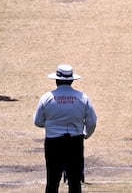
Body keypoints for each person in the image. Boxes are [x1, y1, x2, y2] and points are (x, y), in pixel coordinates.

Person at [33, 64, 97, 193]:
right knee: (74, 182)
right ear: (72, 80)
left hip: (53, 143)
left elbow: (38, 121)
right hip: (75, 142)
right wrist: (84, 134)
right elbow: (92, 121)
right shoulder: (82, 97)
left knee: (52, 181)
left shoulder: (46, 97)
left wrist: (52, 126)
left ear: (56, 80)